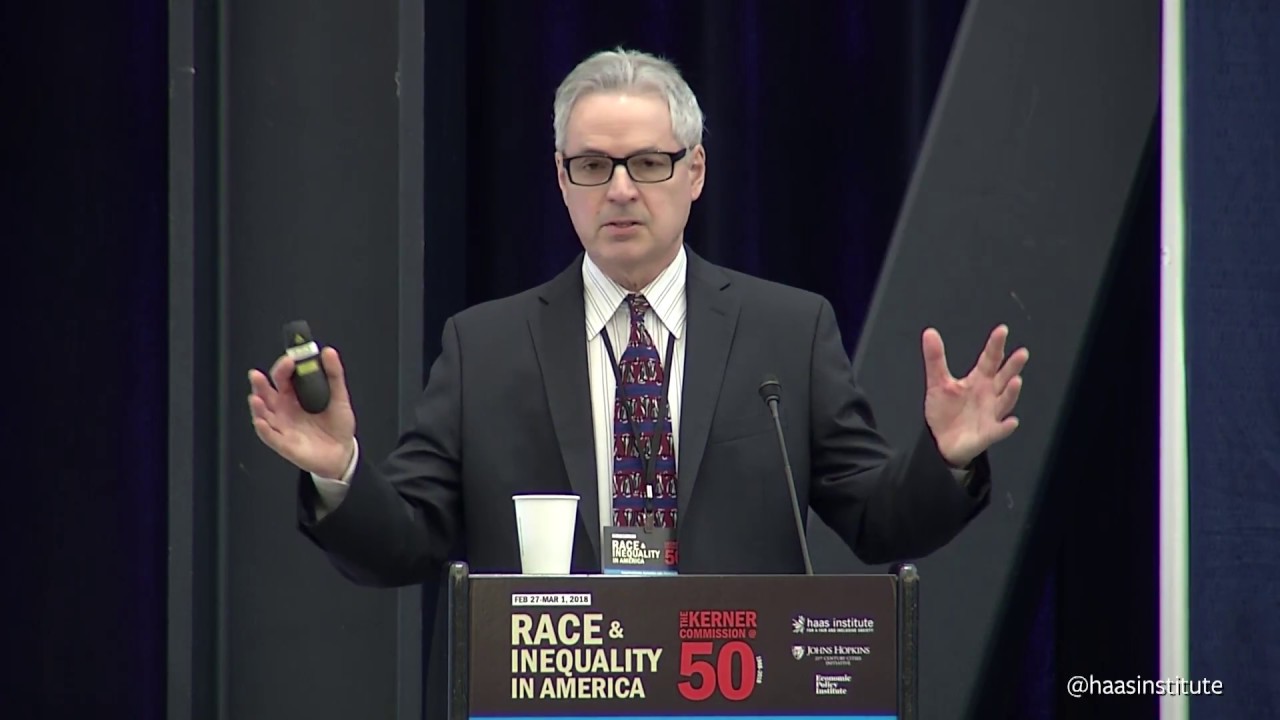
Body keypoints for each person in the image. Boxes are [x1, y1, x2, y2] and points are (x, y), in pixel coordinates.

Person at [248, 48, 1028, 585]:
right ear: (562, 180)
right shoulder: (484, 347)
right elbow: (404, 546)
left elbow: (879, 522)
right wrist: (338, 471)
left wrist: (946, 458)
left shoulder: (788, 333)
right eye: (593, 165)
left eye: (649, 163)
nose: (620, 189)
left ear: (696, 172)